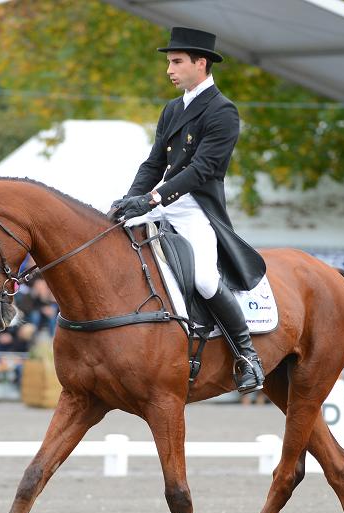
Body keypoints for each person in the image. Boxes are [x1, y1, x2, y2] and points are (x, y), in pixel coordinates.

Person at [110, 26, 267, 394]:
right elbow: (152, 163)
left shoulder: (223, 111)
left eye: (177, 62)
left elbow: (202, 170)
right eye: (169, 62)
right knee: (111, 237)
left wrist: (150, 200)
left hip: (195, 205)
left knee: (205, 280)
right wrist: (128, 201)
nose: (169, 69)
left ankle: (247, 355)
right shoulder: (172, 108)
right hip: (162, 201)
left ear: (201, 63)